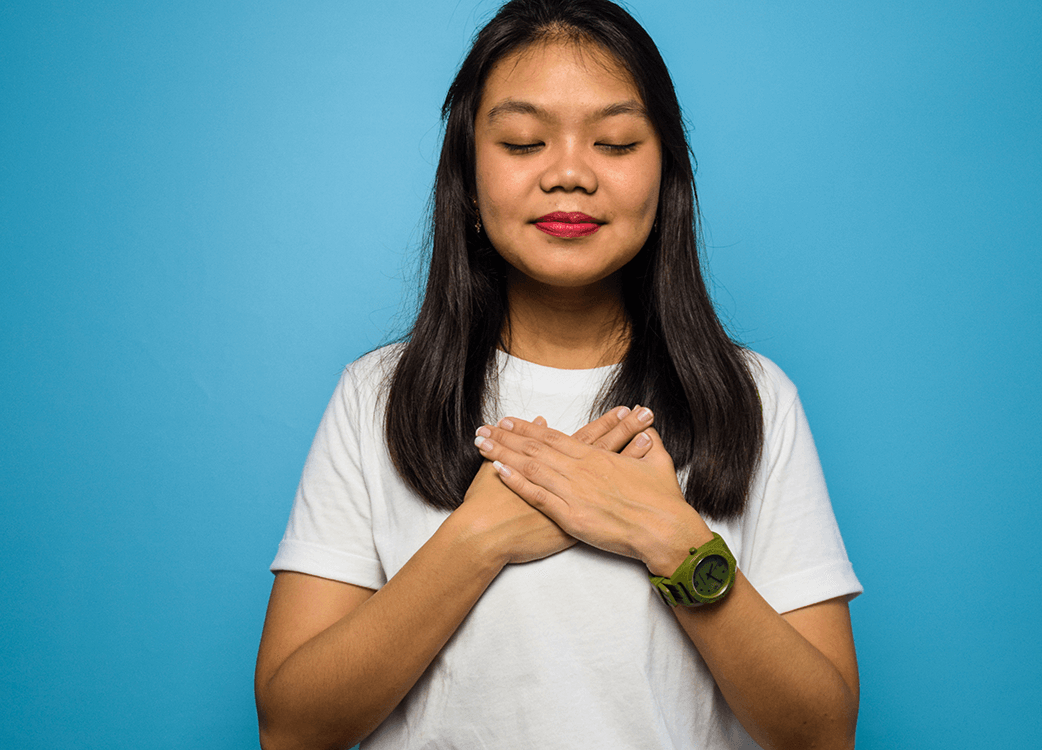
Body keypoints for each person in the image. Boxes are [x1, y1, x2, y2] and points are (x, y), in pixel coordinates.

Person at [254, 1, 862, 747]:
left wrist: (671, 540)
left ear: (666, 173)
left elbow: (824, 733)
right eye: (522, 141)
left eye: (614, 142)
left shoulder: (754, 397)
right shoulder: (376, 396)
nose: (569, 174)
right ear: (467, 178)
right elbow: (291, 728)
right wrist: (478, 540)